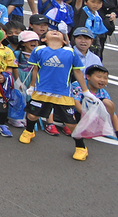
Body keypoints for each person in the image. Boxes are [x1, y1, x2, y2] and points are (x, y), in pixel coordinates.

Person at [19, 29, 93, 161]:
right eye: (51, 31)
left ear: (64, 40)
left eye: (58, 32)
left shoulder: (70, 52)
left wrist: (86, 91)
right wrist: (31, 86)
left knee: (70, 123)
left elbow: (78, 73)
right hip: (41, 91)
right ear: (44, 39)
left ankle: (81, 147)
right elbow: (35, 69)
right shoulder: (38, 51)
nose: (55, 32)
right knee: (32, 114)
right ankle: (29, 131)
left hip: (63, 93)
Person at [72, 65, 118, 143]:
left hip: (93, 118)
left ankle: (96, 126)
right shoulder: (78, 85)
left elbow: (113, 112)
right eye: (99, 77)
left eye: (105, 78)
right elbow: (76, 103)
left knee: (108, 103)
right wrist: (88, 117)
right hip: (77, 114)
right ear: (88, 77)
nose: (102, 80)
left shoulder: (103, 92)